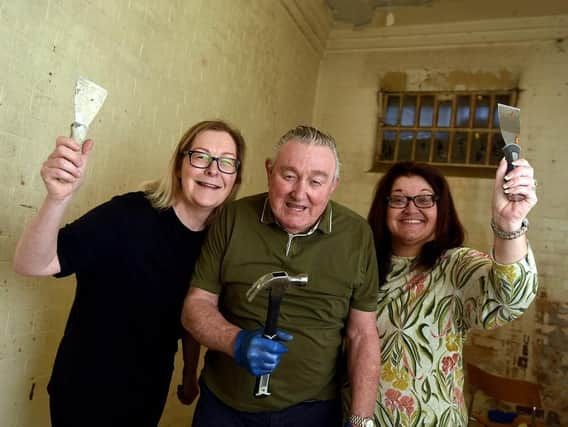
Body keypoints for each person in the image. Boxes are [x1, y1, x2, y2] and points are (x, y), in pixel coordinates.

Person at [12, 120, 246, 427]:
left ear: (235, 177)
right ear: (179, 165)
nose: (213, 170)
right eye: (200, 156)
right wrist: (57, 198)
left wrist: (189, 374)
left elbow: (196, 310)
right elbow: (32, 264)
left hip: (146, 397)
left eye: (226, 162)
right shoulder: (129, 214)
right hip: (86, 392)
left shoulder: (215, 243)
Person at [181, 125, 381, 427]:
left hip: (312, 411)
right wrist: (236, 341)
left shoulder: (356, 235)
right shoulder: (232, 218)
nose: (299, 193)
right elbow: (196, 306)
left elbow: (362, 334)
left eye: (316, 181)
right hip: (225, 406)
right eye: (288, 176)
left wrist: (360, 420)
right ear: (269, 170)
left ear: (333, 185)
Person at [366, 158, 538, 426]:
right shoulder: (360, 265)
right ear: (383, 207)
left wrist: (509, 225)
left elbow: (511, 297)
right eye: (398, 200)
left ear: (441, 209)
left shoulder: (455, 266)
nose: (411, 208)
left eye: (425, 199)